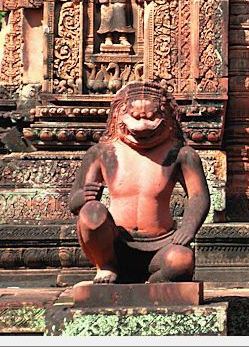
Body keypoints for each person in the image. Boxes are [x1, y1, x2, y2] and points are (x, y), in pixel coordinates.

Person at [68, 82, 210, 283]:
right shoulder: (102, 153)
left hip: (162, 244)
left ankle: (154, 282)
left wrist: (188, 228)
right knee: (91, 213)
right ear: (119, 115)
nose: (143, 126)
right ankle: (106, 266)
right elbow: (73, 203)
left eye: (152, 118)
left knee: (181, 261)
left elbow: (198, 196)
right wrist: (84, 197)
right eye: (135, 117)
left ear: (167, 117)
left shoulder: (181, 154)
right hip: (115, 243)